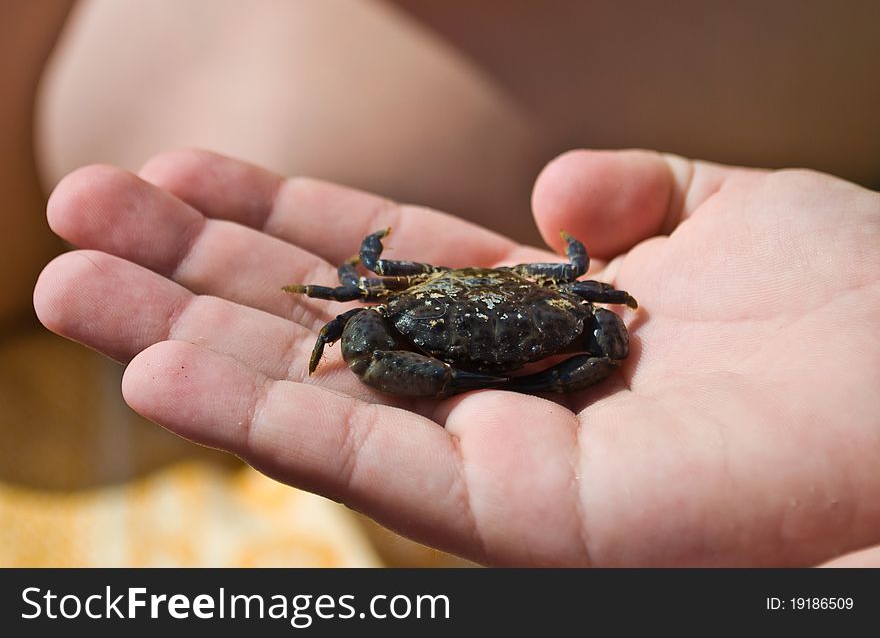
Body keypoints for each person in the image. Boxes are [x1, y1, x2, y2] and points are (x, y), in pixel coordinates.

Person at [33, 147, 880, 566]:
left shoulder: (571, 300)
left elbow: (609, 316)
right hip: (435, 303)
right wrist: (458, 370)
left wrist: (553, 365)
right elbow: (347, 315)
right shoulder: (385, 305)